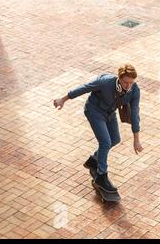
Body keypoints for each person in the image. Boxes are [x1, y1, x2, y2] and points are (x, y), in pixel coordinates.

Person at [53, 64, 143, 193]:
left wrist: (136, 139)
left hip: (110, 113)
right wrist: (63, 99)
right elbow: (84, 88)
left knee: (115, 139)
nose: (128, 86)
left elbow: (135, 114)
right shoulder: (105, 82)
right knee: (105, 142)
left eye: (131, 82)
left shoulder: (134, 90)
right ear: (119, 78)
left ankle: (94, 160)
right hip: (94, 111)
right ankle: (101, 176)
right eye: (125, 82)